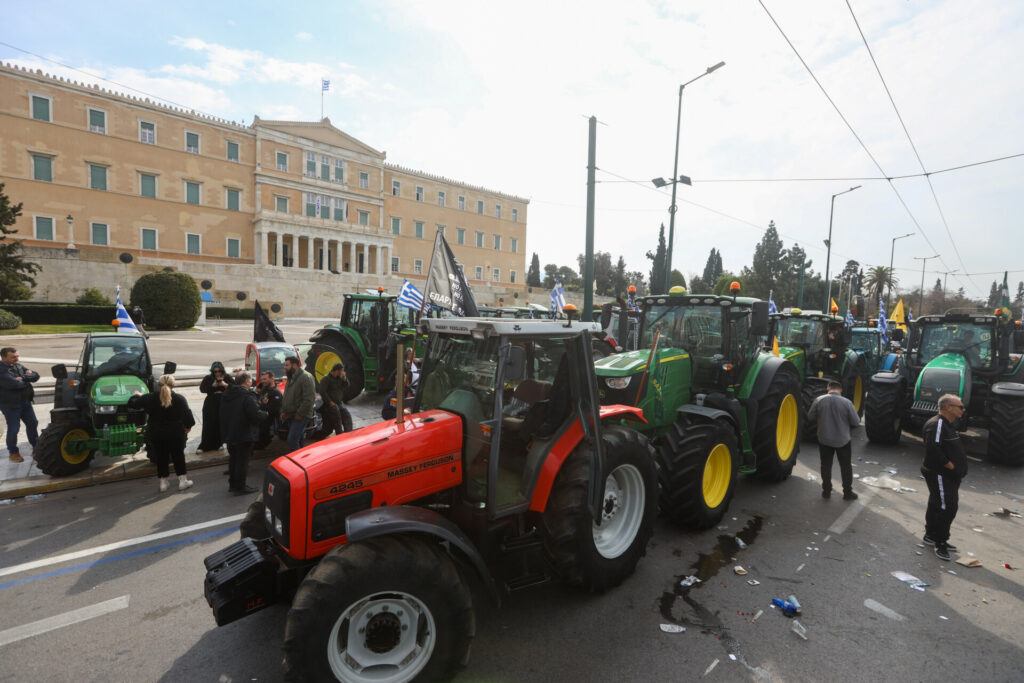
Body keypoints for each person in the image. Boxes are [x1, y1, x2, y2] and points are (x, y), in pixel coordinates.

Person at [921, 394, 968, 561]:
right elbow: (932, 448)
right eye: (960, 407)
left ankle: (931, 535)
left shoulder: (948, 424)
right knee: (947, 507)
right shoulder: (937, 424)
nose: (963, 410)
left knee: (936, 503)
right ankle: (940, 542)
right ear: (948, 407)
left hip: (949, 475)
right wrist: (950, 466)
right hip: (941, 474)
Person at [128, 375, 194, 492]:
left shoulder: (149, 398)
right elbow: (188, 417)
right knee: (178, 456)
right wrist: (188, 427)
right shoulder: (179, 399)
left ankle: (163, 483)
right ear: (173, 386)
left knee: (161, 457)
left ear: (158, 386)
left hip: (156, 433)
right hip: (176, 433)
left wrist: (137, 395)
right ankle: (182, 481)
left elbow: (132, 403)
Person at [807, 380, 861, 501]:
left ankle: (826, 491)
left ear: (828, 389)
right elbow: (856, 422)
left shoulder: (819, 400)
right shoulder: (847, 402)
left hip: (824, 439)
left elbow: (810, 417)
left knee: (825, 465)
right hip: (843, 440)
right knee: (845, 467)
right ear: (840, 390)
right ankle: (847, 493)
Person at [220, 372, 266, 495]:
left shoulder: (227, 394)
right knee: (242, 461)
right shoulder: (246, 396)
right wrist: (265, 414)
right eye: (250, 379)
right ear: (246, 381)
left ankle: (233, 484)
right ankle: (240, 486)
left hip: (230, 432)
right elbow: (255, 415)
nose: (252, 381)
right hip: (243, 433)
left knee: (233, 459)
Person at [0, 347, 40, 464]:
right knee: (14, 428)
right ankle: (13, 452)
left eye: (17, 356)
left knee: (33, 423)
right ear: (4, 357)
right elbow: (16, 385)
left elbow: (36, 376)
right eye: (13, 357)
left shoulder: (18, 366)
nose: (17, 359)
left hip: (25, 402)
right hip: (11, 405)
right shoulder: (1, 370)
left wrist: (23, 377)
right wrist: (27, 378)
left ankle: (36, 447)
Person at [280, 356, 315, 452]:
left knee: (292, 440)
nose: (285, 367)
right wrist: (283, 411)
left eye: (287, 365)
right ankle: (304, 462)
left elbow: (309, 399)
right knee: (298, 440)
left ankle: (296, 464)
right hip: (291, 415)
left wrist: (300, 414)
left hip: (300, 416)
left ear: (294, 365)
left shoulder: (306, 377)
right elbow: (286, 396)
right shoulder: (291, 377)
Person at [198, 361, 229, 451]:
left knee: (220, 423)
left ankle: (219, 443)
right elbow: (202, 389)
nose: (217, 373)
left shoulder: (227, 377)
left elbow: (234, 388)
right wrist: (213, 386)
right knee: (208, 423)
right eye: (215, 371)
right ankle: (205, 445)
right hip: (211, 402)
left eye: (219, 371)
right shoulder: (208, 378)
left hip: (223, 402)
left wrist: (225, 384)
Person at [318, 363, 353, 436]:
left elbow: (346, 385)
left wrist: (344, 378)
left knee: (346, 415)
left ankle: (349, 434)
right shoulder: (326, 379)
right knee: (337, 419)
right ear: (337, 371)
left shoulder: (339, 378)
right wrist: (330, 402)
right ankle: (339, 435)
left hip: (339, 402)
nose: (343, 372)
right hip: (330, 404)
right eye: (342, 371)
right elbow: (322, 392)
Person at [255, 371, 283, 449]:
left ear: (272, 379)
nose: (263, 381)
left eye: (265, 379)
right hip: (261, 416)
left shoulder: (276, 392)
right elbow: (261, 401)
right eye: (262, 379)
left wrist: (262, 405)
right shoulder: (264, 389)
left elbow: (274, 410)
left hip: (268, 421)